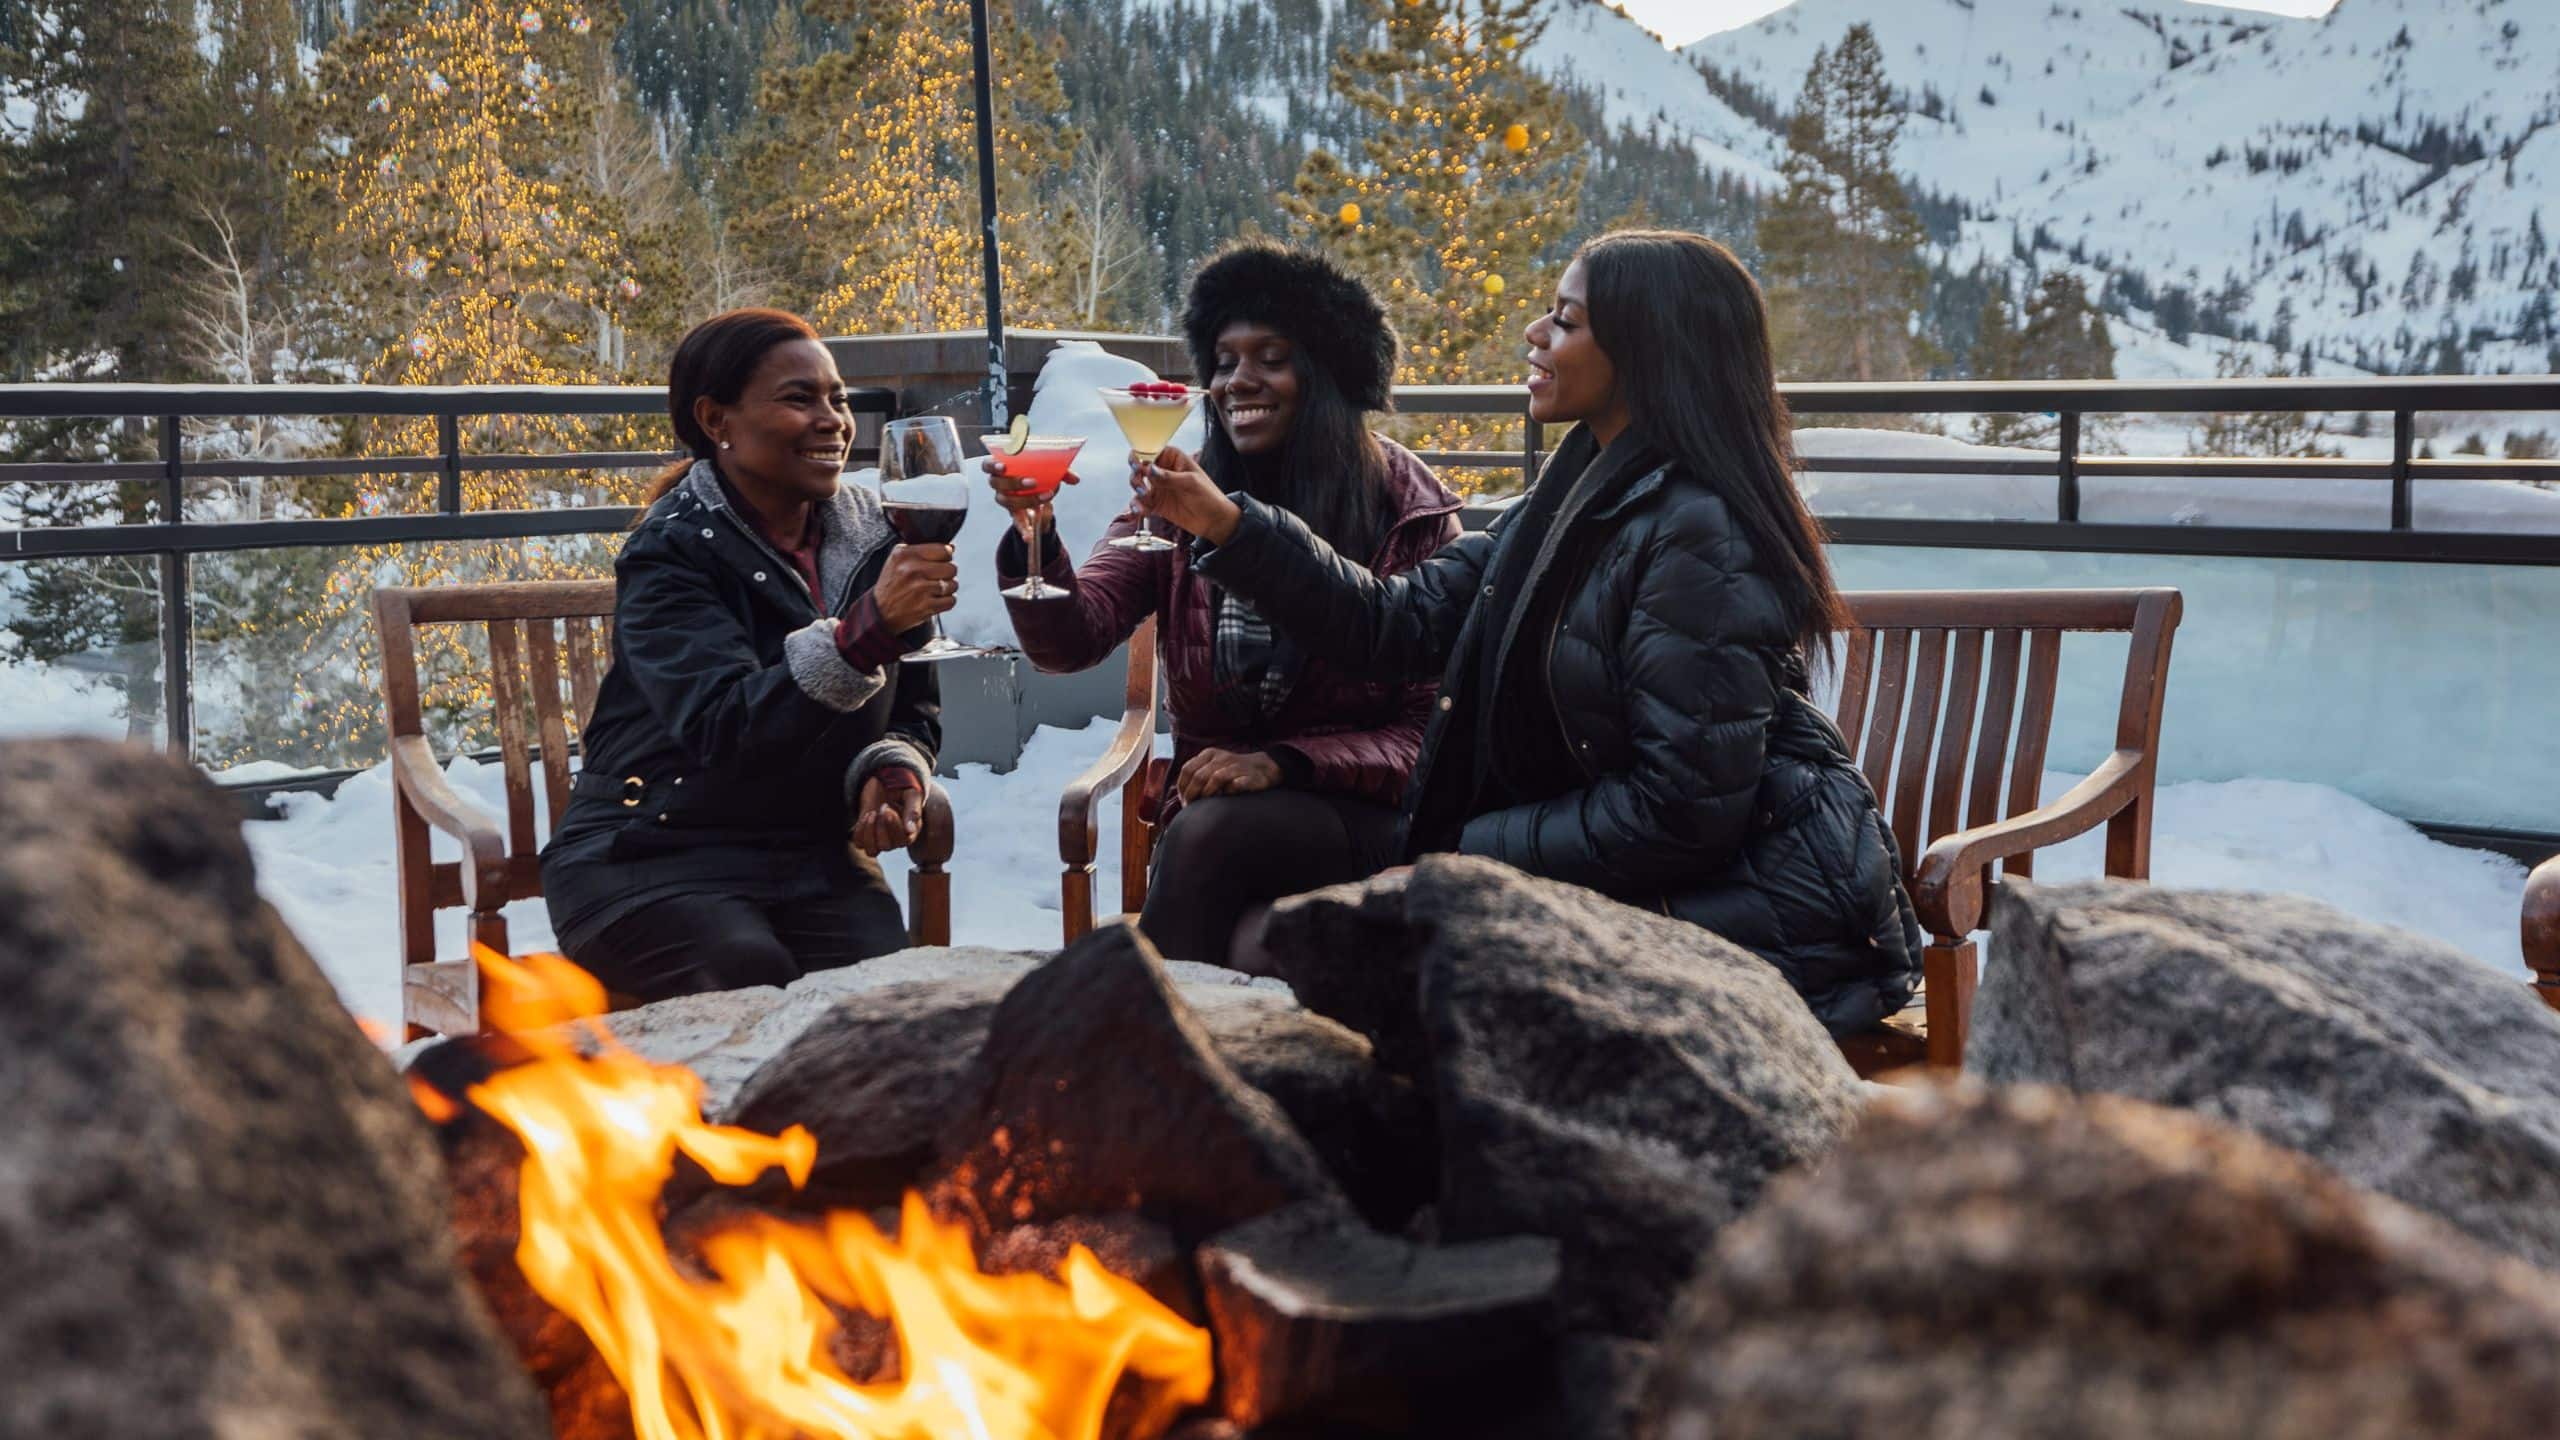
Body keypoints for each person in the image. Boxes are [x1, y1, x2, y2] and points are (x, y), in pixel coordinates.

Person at [1132, 230, 1922, 1033]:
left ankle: (1157, 1106)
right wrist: (1227, 524)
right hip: (1582, 871)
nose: (1535, 335)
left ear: (1648, 348)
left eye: (1566, 321)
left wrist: (1464, 853)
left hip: (1730, 916)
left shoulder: (1702, 534)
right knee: (1231, 883)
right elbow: (1394, 622)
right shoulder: (1571, 498)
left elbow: (1681, 811)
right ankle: (1144, 1101)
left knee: (1271, 945)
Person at [985, 243, 1462, 968]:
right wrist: (1035, 539)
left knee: (1216, 837)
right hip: (1226, 826)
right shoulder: (1181, 497)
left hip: (1373, 817)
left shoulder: (1408, 511)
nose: (1238, 380)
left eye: (1271, 357)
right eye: (1224, 359)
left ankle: (1127, 1038)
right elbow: (1070, 641)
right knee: (1254, 947)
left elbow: (1433, 734)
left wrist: (1286, 762)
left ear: (1328, 373)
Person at [539, 308, 956, 1001]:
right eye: (800, 399)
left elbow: (913, 707)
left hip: (807, 854)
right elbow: (723, 726)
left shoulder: (878, 536)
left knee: (883, 1000)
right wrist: (867, 629)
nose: (834, 421)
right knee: (745, 977)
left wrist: (894, 771)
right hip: (648, 851)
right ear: (715, 420)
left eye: (838, 399)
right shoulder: (669, 553)